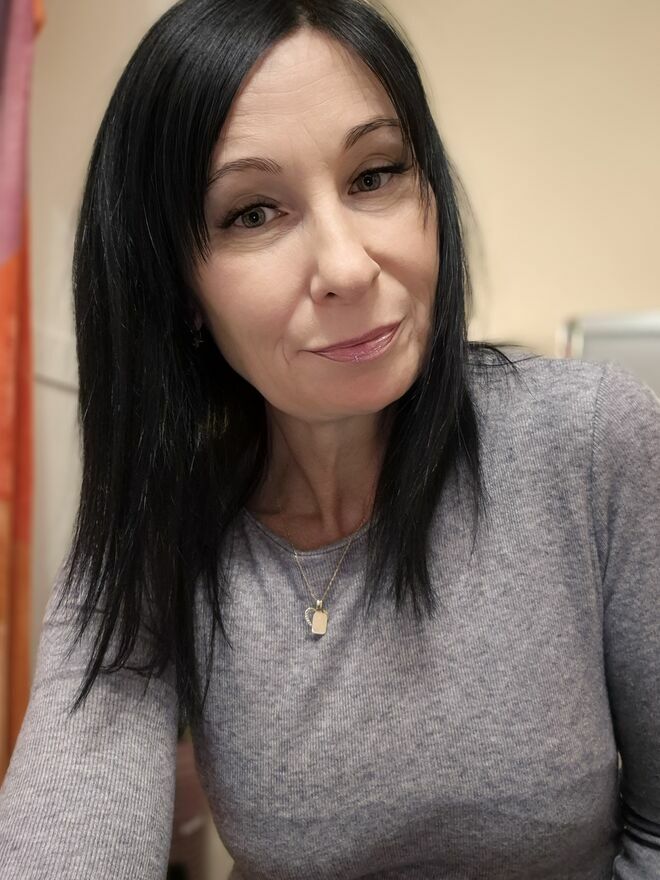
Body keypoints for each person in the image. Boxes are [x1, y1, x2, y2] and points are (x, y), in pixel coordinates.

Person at [1, 0, 659, 877]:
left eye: (375, 174)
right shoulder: (159, 518)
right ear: (180, 290)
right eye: (253, 213)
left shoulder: (593, 441)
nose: (348, 266)